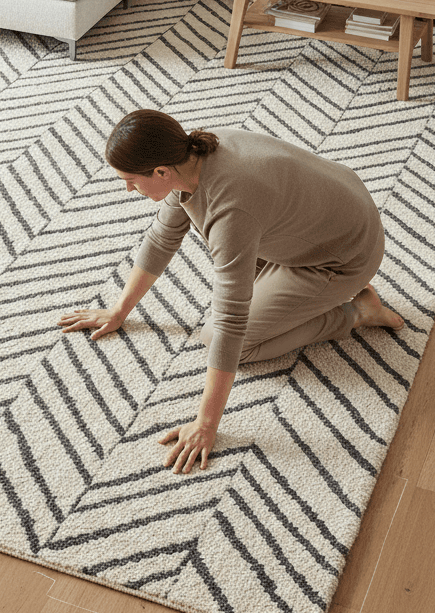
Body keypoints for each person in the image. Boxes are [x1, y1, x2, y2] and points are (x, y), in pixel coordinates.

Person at [57, 109, 404, 476]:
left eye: (130, 180)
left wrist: (206, 423)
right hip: (326, 219)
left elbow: (231, 318)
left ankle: (356, 313)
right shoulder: (192, 154)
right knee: (235, 294)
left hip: (341, 259)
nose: (128, 188)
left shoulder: (232, 211)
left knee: (225, 341)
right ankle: (314, 292)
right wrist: (118, 310)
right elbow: (162, 238)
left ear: (160, 172)